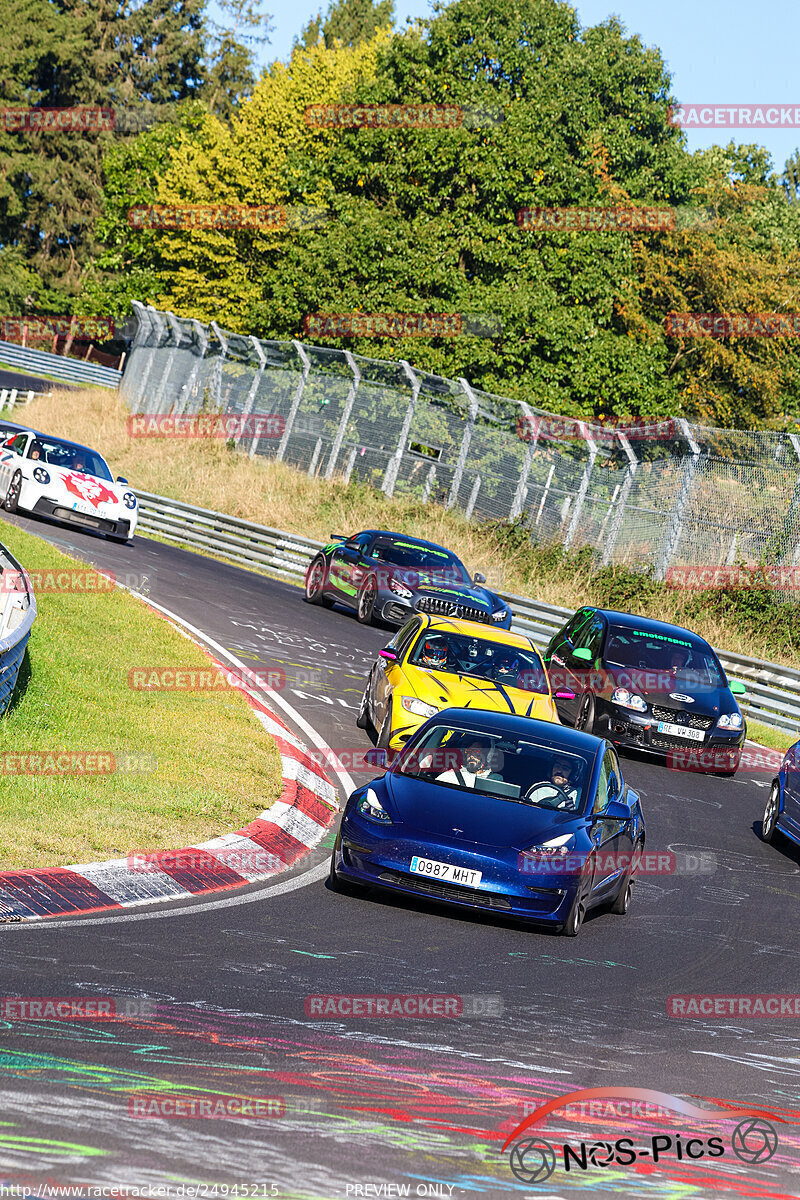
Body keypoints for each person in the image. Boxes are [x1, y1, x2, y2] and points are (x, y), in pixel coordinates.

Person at [436, 741, 502, 788]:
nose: (471, 756)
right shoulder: (450, 775)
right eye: (469, 751)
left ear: (487, 756)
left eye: (476, 752)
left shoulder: (495, 779)